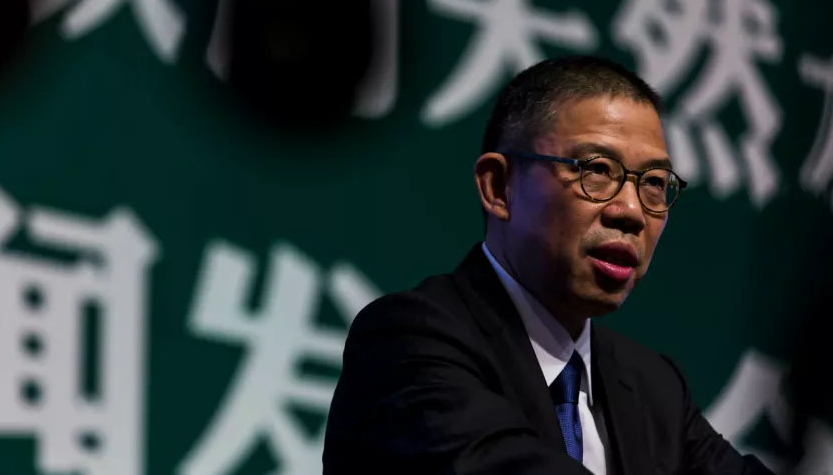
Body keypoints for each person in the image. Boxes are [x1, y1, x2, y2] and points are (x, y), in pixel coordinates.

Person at [323, 56, 774, 475]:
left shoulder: (653, 386)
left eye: (654, 183)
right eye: (597, 170)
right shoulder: (409, 342)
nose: (632, 211)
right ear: (499, 187)